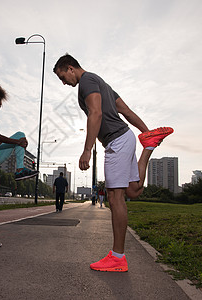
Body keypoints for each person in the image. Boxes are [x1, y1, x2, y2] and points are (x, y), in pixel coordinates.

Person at [53, 54, 173, 272]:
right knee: (133, 190)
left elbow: (96, 113)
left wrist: (87, 150)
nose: (63, 83)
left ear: (70, 68)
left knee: (115, 197)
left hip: (116, 141)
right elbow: (125, 111)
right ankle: (148, 147)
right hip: (125, 137)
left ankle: (117, 257)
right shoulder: (101, 82)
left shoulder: (87, 82)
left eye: (62, 77)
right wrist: (148, 134)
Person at [0, 83, 38, 248]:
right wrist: (17, 142)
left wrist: (19, 141)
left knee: (21, 135)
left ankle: (19, 170)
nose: (0, 104)